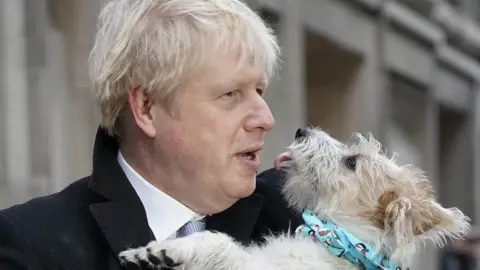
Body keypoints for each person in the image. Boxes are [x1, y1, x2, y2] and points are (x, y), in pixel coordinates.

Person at [0, 0, 302, 269]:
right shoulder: (31, 246)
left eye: (259, 91)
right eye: (230, 94)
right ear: (146, 109)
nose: (266, 119)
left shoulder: (304, 216)